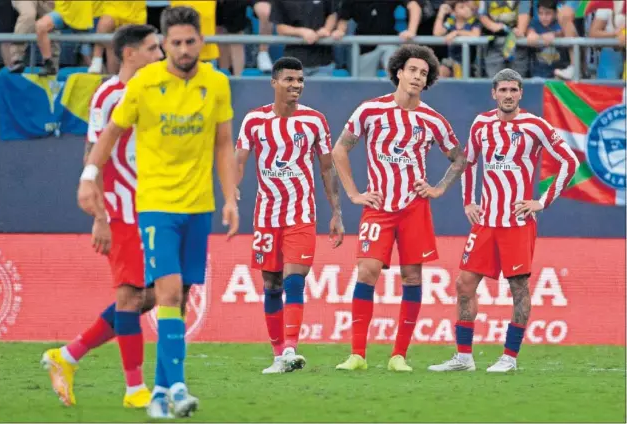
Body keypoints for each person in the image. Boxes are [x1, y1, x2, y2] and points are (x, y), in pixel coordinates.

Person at [77, 6, 239, 419]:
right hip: (154, 207)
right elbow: (111, 132)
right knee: (164, 293)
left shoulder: (217, 83)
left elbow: (223, 144)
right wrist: (88, 176)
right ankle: (179, 387)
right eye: (176, 43)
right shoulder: (145, 83)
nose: (184, 50)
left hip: (199, 206)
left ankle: (159, 393)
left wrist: (231, 197)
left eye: (191, 41)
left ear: (202, 41)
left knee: (181, 298)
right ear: (165, 44)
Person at [41, 24, 163, 409]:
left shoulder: (154, 91)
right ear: (130, 53)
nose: (159, 55)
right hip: (121, 210)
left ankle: (69, 355)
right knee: (129, 297)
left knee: (153, 295)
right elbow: (93, 154)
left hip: (151, 209)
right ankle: (134, 390)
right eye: (152, 48)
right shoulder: (109, 95)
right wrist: (100, 216)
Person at [428, 68, 579, 373]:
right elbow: (468, 161)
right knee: (464, 283)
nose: (508, 95)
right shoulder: (482, 123)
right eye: (503, 90)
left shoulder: (535, 126)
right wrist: (468, 200)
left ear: (521, 93)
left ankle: (509, 357)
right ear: (493, 93)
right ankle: (464, 357)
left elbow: (570, 161)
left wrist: (541, 201)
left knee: (518, 288)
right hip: (486, 222)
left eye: (513, 90)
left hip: (517, 222)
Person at [332, 45, 467, 372]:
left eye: (424, 73)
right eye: (413, 70)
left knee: (411, 277)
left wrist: (437, 188)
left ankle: (399, 356)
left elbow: (460, 158)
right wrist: (353, 194)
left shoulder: (432, 119)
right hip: (378, 207)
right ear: (399, 72)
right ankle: (357, 355)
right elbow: (339, 150)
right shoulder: (370, 111)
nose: (417, 77)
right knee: (367, 271)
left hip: (414, 209)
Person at [235, 57, 345, 374]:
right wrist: (232, 189)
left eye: (300, 80)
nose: (296, 85)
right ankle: (277, 353)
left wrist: (336, 210)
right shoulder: (254, 120)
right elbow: (239, 159)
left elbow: (327, 167)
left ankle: (290, 349)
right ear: (274, 82)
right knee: (271, 284)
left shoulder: (314, 122)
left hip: (301, 213)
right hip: (267, 215)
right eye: (289, 80)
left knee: (294, 279)